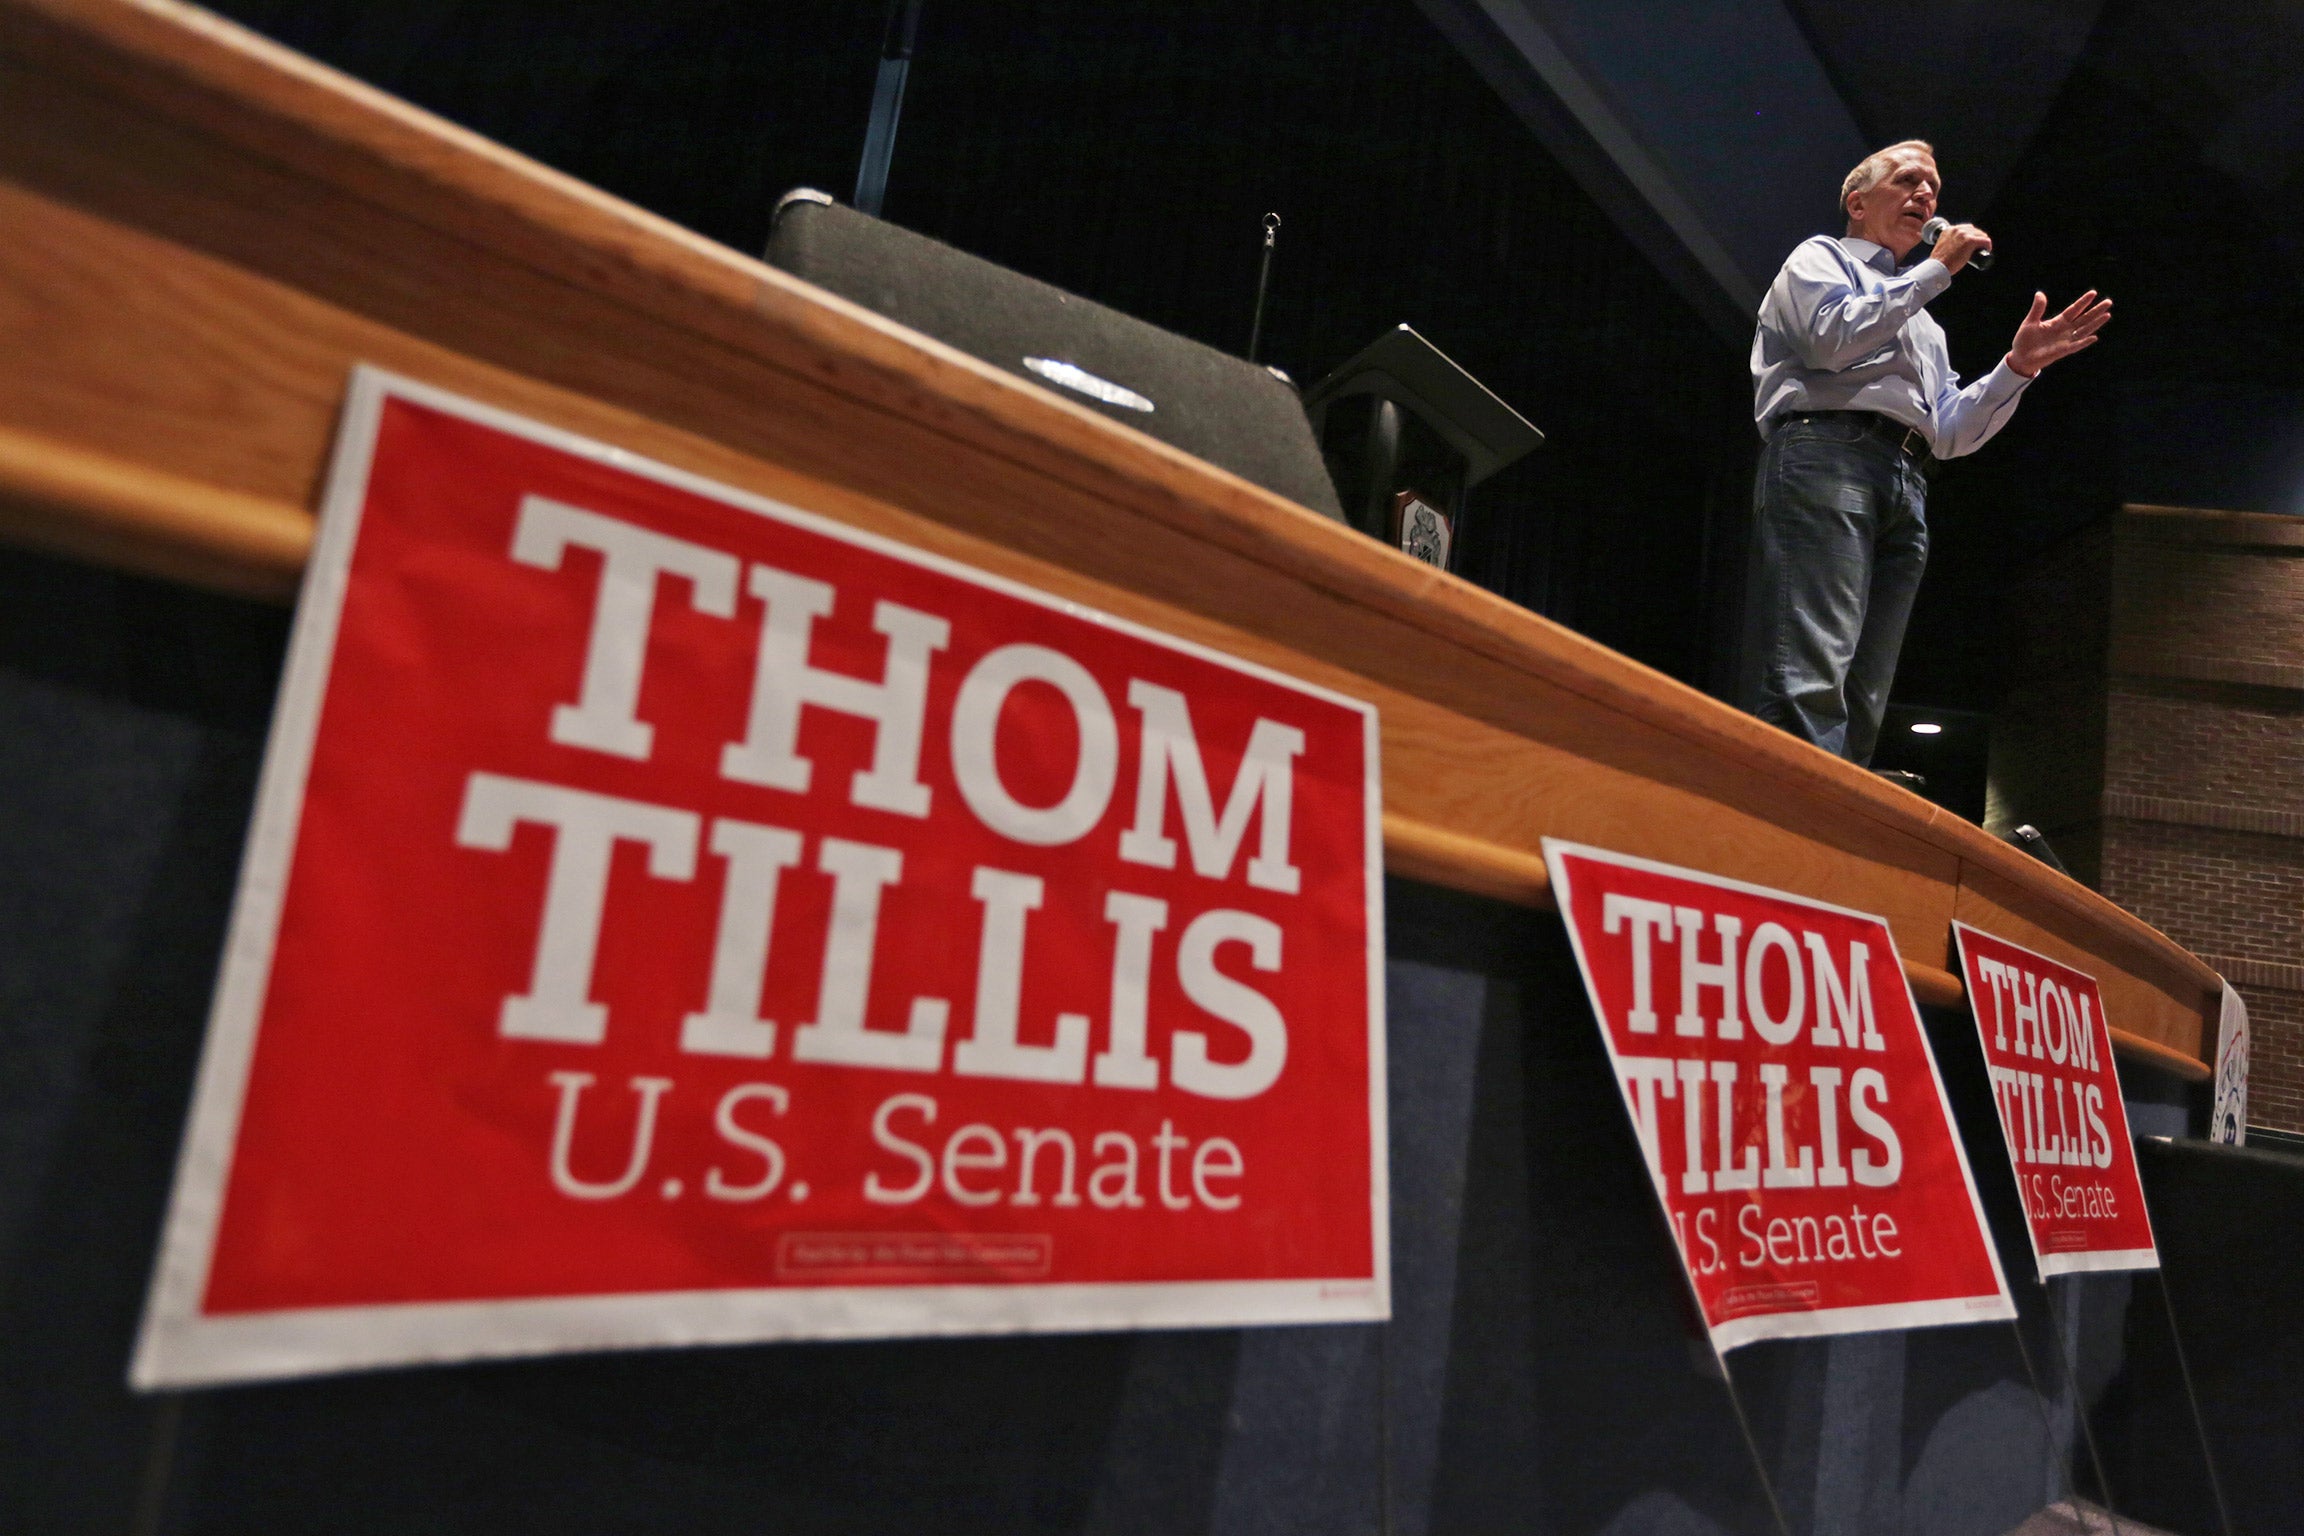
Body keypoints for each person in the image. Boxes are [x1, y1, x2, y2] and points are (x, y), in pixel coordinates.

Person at [1739, 139, 2112, 764]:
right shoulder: (1821, 257)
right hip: (1827, 452)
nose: (1926, 196)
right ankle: (1788, 824)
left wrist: (2017, 367)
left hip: (1907, 477)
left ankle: (1840, 832)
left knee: (1867, 686)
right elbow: (1831, 342)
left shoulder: (1923, 321)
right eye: (1909, 181)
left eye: (1934, 190)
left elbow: (1949, 433)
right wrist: (1936, 270)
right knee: (1812, 667)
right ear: (1857, 202)